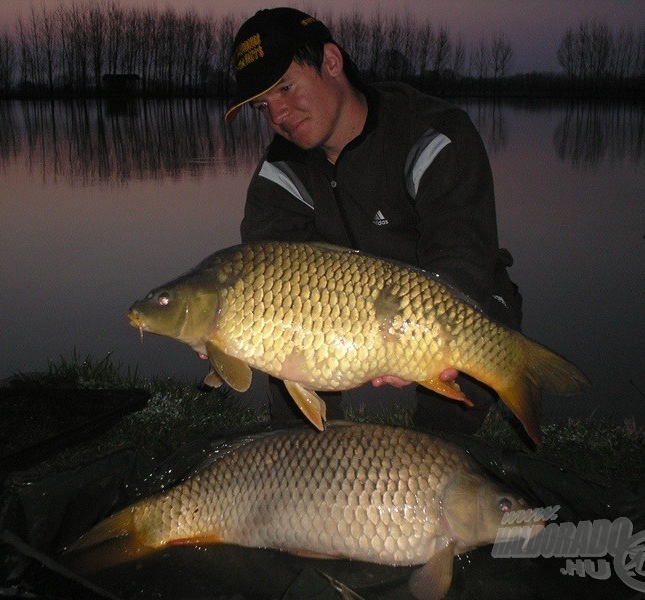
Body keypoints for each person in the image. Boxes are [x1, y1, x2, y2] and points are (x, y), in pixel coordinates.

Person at [223, 7, 522, 435]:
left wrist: (415, 346)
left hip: (442, 294)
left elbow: (465, 252)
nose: (278, 116)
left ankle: (453, 439)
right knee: (284, 349)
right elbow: (267, 272)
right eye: (263, 105)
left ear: (331, 61)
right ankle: (311, 462)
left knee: (479, 340)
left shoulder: (431, 134)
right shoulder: (280, 172)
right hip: (339, 314)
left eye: (286, 87)